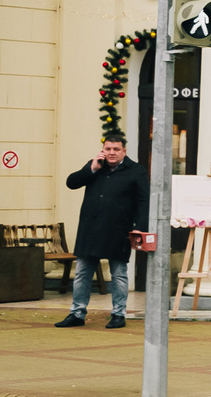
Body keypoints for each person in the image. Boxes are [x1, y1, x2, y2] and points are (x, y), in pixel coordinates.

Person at [58, 133, 147, 329]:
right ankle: (77, 313)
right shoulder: (94, 166)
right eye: (108, 149)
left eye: (116, 149)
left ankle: (118, 314)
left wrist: (140, 228)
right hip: (90, 230)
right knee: (82, 273)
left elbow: (143, 202)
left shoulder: (137, 171)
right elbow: (71, 183)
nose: (111, 153)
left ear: (124, 151)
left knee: (119, 275)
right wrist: (91, 169)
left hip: (119, 230)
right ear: (103, 150)